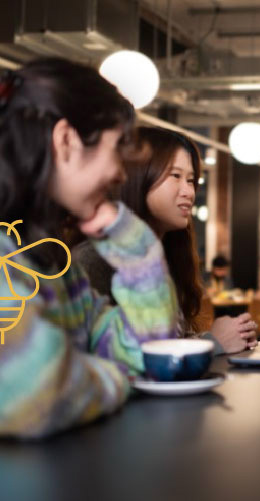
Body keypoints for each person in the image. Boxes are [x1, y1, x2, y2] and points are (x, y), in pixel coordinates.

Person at [0, 59, 177, 438]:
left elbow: (148, 351)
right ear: (66, 141)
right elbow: (33, 391)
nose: (119, 173)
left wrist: (135, 248)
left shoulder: (57, 266)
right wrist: (118, 380)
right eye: (115, 148)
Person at [74, 126, 258, 354]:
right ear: (137, 177)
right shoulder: (96, 260)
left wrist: (228, 335)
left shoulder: (168, 256)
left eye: (191, 180)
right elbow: (115, 358)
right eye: (176, 176)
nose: (189, 191)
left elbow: (165, 340)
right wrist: (211, 343)